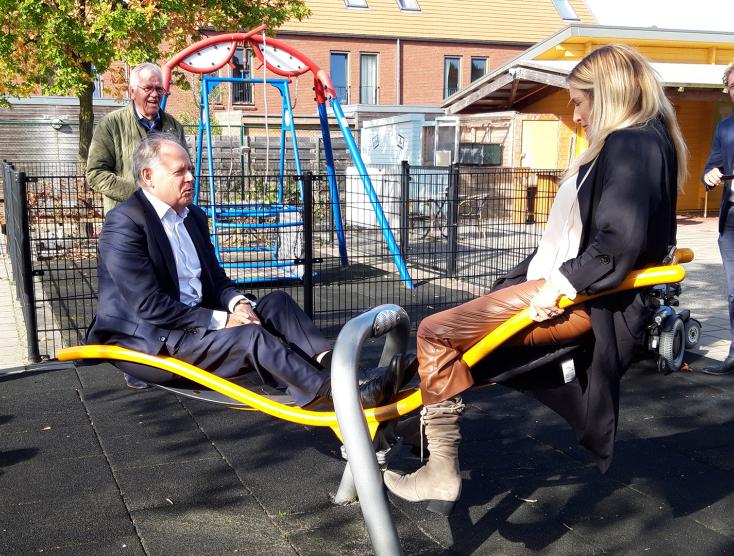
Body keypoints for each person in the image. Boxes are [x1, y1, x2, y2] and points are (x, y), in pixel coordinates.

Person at [383, 44, 687, 516]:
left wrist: (558, 288)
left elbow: (616, 240)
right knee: (446, 349)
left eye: (581, 101)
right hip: (568, 288)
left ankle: (438, 468)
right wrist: (515, 284)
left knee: (434, 332)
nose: (576, 113)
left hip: (579, 298)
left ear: (607, 95)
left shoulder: (633, 143)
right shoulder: (640, 142)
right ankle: (406, 423)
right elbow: (571, 237)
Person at [86, 134, 405, 408]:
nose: (190, 178)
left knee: (278, 303)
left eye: (191, 170)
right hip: (156, 339)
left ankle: (350, 374)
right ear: (148, 176)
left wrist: (236, 304)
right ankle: (332, 393)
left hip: (195, 322)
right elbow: (148, 306)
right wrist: (224, 319)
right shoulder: (125, 224)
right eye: (179, 172)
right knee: (250, 336)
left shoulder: (192, 217)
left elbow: (216, 279)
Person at [87, 63, 186, 215]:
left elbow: (184, 170)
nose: (155, 94)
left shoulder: (174, 126)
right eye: (148, 88)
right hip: (128, 216)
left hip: (168, 218)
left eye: (159, 89)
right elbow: (95, 173)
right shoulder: (111, 124)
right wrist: (142, 195)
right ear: (132, 92)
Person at [700, 63, 734, 376]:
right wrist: (709, 176)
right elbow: (711, 166)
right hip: (732, 219)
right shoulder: (725, 127)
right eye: (733, 86)